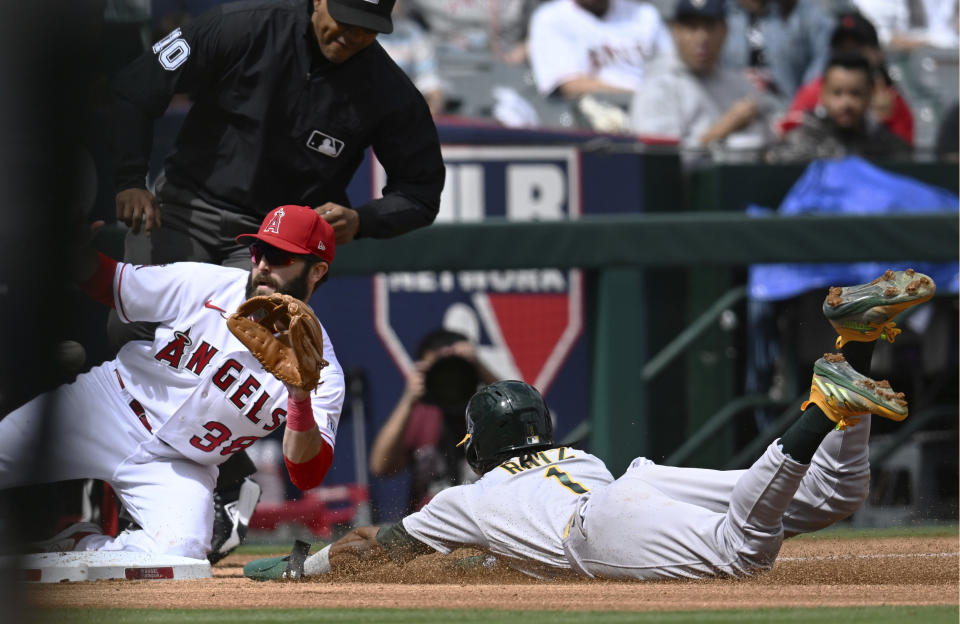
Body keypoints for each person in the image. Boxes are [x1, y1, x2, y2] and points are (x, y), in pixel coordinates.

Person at [245, 270, 935, 582]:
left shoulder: (466, 500)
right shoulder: (578, 455)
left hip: (597, 529)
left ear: (477, 447)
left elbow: (377, 547)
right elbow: (500, 552)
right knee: (832, 498)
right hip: (640, 483)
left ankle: (823, 405)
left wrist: (307, 567)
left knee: (743, 554)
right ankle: (854, 349)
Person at [109, 0, 445, 562]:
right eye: (344, 18)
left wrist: (364, 219)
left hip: (276, 241)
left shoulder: (383, 86)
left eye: (369, 28)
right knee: (140, 340)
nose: (353, 34)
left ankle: (220, 482)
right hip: (185, 205)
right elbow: (137, 86)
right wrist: (128, 179)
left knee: (239, 349)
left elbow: (422, 191)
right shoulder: (244, 27)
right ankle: (120, 498)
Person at [0, 205, 345, 559]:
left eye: (281, 256)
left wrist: (299, 397)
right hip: (108, 405)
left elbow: (307, 474)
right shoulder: (208, 283)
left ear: (317, 270)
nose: (263, 265)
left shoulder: (321, 370)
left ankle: (79, 546)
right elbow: (116, 285)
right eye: (260, 251)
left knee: (181, 554)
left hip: (179, 465)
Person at [368, 329, 499, 514]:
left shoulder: (489, 411)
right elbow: (380, 466)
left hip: (484, 523)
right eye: (440, 370)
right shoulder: (420, 414)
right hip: (428, 525)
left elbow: (526, 422)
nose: (449, 380)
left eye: (455, 369)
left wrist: (481, 368)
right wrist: (408, 399)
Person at [629, 0, 775, 161]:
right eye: (692, 27)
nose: (702, 37)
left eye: (710, 27)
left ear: (724, 30)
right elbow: (660, 165)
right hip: (688, 185)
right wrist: (722, 130)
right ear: (675, 31)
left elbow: (769, 149)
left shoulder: (740, 85)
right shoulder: (658, 86)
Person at [780, 10, 915, 146]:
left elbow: (904, 155)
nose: (849, 55)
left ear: (877, 53)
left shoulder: (891, 98)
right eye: (841, 48)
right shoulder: (811, 93)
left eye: (857, 48)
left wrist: (884, 123)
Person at [765, 51, 912, 162]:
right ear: (823, 94)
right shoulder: (802, 139)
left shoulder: (889, 147)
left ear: (869, 95)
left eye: (855, 93)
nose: (846, 103)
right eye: (837, 93)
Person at [527, 0, 673, 99]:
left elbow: (673, 68)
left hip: (658, 105)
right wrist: (643, 97)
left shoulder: (645, 14)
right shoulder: (551, 17)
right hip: (597, 115)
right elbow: (570, 85)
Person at [722, 0, 835, 101]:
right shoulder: (722, 11)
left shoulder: (798, 10)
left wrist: (804, 98)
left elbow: (823, 54)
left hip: (786, 106)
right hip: (732, 106)